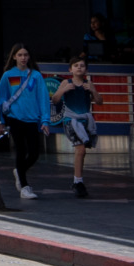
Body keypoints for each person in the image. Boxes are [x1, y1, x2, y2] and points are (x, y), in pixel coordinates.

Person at [0, 45, 53, 200]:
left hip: (32, 119)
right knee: (21, 150)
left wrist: (45, 120)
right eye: (19, 55)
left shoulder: (36, 76)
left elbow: (43, 98)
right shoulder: (8, 75)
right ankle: (25, 187)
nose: (23, 58)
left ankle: (19, 172)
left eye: (26, 54)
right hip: (15, 118)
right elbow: (0, 99)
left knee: (34, 153)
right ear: (14, 57)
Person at [52, 56, 97, 198]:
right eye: (76, 65)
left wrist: (93, 91)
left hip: (84, 120)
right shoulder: (66, 82)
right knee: (81, 149)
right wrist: (63, 90)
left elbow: (100, 101)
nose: (79, 68)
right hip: (70, 121)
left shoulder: (88, 84)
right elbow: (55, 99)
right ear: (70, 69)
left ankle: (78, 180)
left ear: (86, 69)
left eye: (82, 65)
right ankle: (78, 182)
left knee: (82, 152)